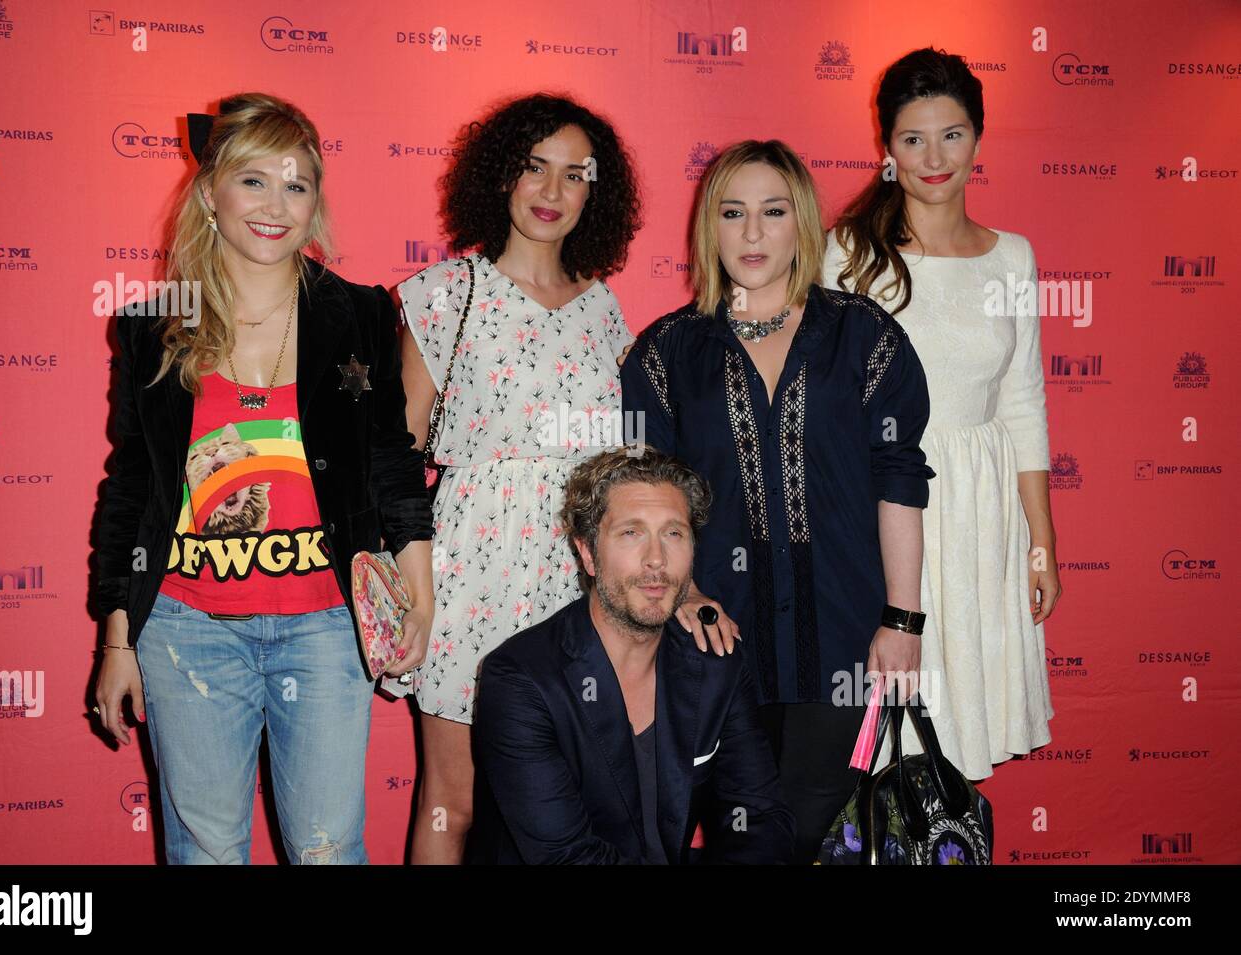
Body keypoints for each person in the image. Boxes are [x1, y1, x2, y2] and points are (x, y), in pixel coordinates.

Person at [88, 92, 433, 864]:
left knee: (327, 848)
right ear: (210, 190)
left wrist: (420, 591)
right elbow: (132, 491)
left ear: (316, 203)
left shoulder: (359, 315)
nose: (276, 205)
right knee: (205, 850)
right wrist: (117, 639)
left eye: (297, 183)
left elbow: (391, 463)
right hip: (185, 629)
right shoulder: (156, 326)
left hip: (323, 623)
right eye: (254, 180)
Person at [619, 140, 935, 862]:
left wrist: (903, 619)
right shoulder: (667, 352)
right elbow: (644, 501)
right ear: (710, 226)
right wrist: (687, 593)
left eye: (773, 212)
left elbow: (900, 481)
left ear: (804, 226)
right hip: (714, 637)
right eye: (733, 213)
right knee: (742, 837)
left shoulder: (863, 336)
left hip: (843, 635)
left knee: (817, 835)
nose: (753, 234)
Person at [393, 93, 642, 863]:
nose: (551, 191)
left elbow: (624, 464)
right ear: (502, 176)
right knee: (453, 800)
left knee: (562, 804)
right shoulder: (443, 297)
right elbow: (399, 459)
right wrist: (408, 588)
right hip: (470, 570)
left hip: (579, 579)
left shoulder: (606, 313)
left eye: (575, 175)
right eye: (535, 168)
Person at [822, 48, 1060, 780]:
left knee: (955, 740)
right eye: (912, 139)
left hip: (986, 519)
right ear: (886, 147)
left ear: (979, 139)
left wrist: (1041, 543)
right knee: (889, 737)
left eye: (951, 135)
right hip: (892, 514)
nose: (933, 157)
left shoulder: (1012, 258)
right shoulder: (849, 255)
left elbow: (1023, 399)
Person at [468, 446, 795, 864]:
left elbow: (759, 816)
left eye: (673, 533)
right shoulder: (521, 679)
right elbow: (567, 858)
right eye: (631, 533)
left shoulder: (716, 663)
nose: (656, 559)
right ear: (587, 552)